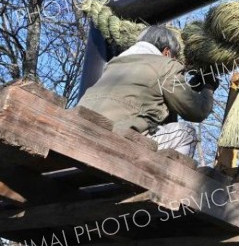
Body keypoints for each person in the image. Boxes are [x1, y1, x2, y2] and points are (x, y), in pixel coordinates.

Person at [77, 25, 218, 157]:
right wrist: (208, 88)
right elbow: (196, 110)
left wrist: (187, 87)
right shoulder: (166, 65)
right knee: (186, 133)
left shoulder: (112, 64)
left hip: (81, 131)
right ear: (167, 52)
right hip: (117, 140)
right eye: (175, 57)